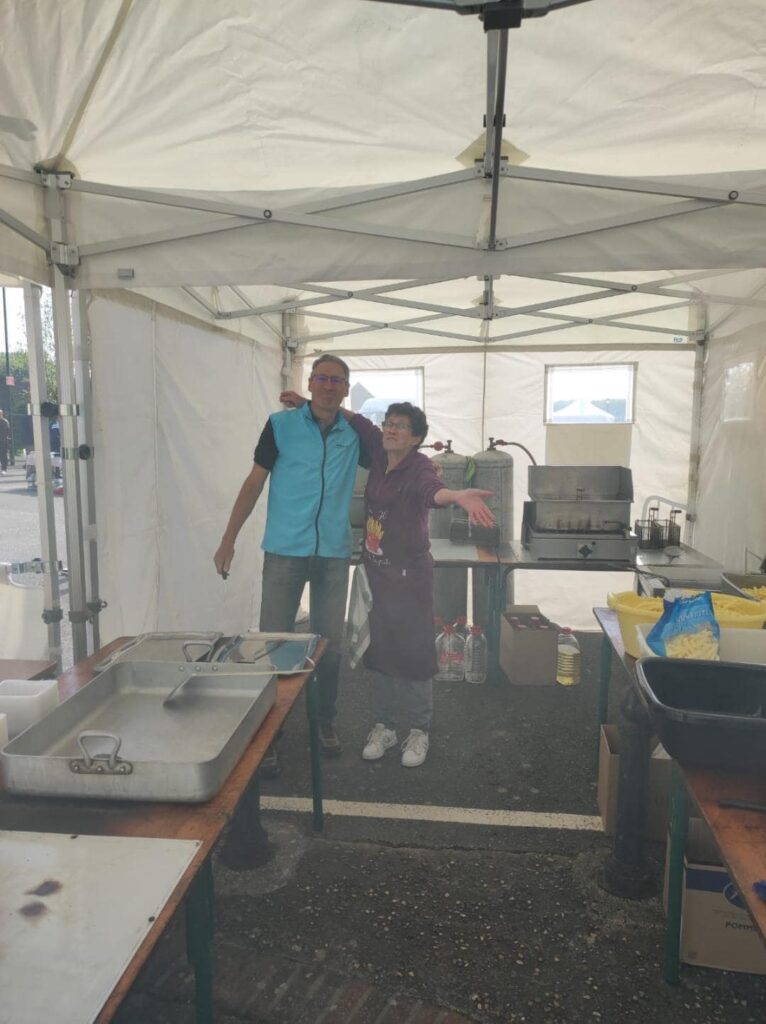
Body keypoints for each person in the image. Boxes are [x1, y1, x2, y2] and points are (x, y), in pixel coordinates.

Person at [280, 391, 494, 769]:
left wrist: (457, 495)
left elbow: (433, 493)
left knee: (413, 654)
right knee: (379, 652)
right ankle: (385, 725)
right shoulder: (379, 455)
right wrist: (305, 402)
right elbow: (352, 419)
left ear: (416, 438)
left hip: (410, 577)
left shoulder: (421, 468)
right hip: (375, 574)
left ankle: (418, 730)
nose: (391, 430)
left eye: (401, 427)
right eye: (389, 424)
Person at [214, 355, 362, 775]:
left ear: (347, 388)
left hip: (333, 552)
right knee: (274, 645)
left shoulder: (354, 432)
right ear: (310, 382)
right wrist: (228, 540)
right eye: (322, 379)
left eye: (338, 380)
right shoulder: (280, 426)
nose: (329, 386)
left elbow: (392, 442)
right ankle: (270, 732)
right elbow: (254, 482)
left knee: (330, 644)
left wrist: (313, 403)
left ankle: (325, 719)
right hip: (284, 550)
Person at [0, 409, 10, 474]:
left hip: (3, 441)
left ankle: (4, 469)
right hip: (3, 440)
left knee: (3, 455)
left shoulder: (5, 422)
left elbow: (7, 432)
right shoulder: (5, 421)